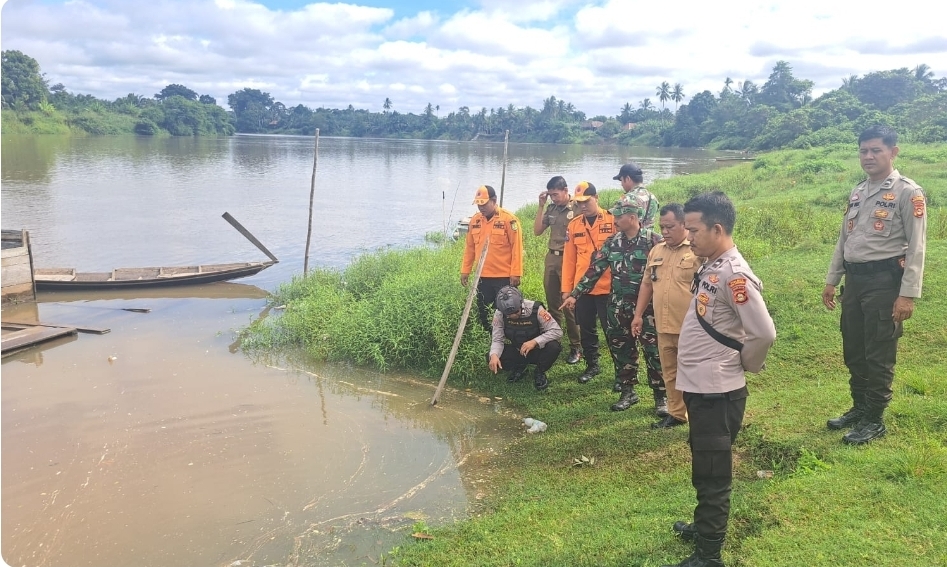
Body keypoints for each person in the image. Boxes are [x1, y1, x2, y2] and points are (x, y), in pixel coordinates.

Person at [663, 191, 776, 567]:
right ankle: (702, 526)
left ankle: (709, 555)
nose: (687, 236)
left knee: (713, 476)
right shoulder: (711, 264)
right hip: (700, 388)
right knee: (703, 464)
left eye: (693, 230)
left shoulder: (734, 274)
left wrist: (741, 364)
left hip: (717, 391)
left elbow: (763, 333)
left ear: (717, 228)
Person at [822, 125, 927, 445]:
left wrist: (907, 295)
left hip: (885, 283)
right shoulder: (858, 191)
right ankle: (859, 408)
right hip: (854, 282)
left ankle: (874, 419)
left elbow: (918, 247)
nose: (868, 156)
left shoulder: (909, 192)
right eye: (863, 150)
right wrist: (832, 279)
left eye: (875, 150)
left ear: (893, 152)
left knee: (878, 352)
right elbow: (845, 240)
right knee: (854, 348)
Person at [562, 194, 667, 413]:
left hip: (648, 309)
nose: (615, 220)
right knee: (622, 351)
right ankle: (628, 392)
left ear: (632, 217)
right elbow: (594, 270)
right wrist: (575, 294)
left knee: (654, 352)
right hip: (618, 308)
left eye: (619, 216)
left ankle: (661, 397)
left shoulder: (653, 241)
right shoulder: (612, 243)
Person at [632, 203, 703, 428]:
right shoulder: (657, 251)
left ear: (684, 224)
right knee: (670, 373)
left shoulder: (696, 251)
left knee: (694, 373)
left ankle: (701, 415)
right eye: (662, 227)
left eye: (670, 227)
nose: (664, 232)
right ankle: (677, 414)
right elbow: (646, 285)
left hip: (691, 327)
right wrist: (638, 315)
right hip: (663, 327)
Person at [559, 182, 616, 385]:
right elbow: (569, 260)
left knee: (613, 331)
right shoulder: (574, 225)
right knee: (587, 329)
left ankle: (622, 373)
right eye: (579, 202)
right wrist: (567, 290)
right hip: (582, 289)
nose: (583, 206)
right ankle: (592, 365)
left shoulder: (612, 220)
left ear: (596, 197)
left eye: (586, 201)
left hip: (608, 287)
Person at [533, 176, 583, 365]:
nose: (553, 198)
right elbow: (537, 231)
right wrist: (540, 206)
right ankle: (555, 341)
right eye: (551, 195)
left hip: (569, 259)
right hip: (552, 258)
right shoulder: (551, 208)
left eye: (556, 194)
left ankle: (576, 346)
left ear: (565, 190)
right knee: (552, 303)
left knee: (568, 304)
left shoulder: (577, 207)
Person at [461, 185, 524, 332]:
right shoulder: (475, 221)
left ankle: (509, 339)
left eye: (483, 204)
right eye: (478, 204)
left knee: (507, 311)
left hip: (503, 277)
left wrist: (516, 272)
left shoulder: (509, 220)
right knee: (484, 312)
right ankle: (489, 340)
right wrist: (465, 270)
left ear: (494, 200)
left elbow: (517, 248)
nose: (480, 207)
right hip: (482, 277)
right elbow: (470, 248)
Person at [487, 285, 563, 391]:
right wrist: (494, 355)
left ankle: (540, 371)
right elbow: (497, 339)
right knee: (491, 356)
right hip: (518, 350)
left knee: (554, 346)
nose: (513, 316)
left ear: (521, 303)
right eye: (509, 314)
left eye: (516, 312)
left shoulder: (536, 309)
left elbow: (557, 331)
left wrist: (535, 342)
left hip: (537, 350)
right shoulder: (499, 313)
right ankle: (519, 367)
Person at [614, 162, 660, 230]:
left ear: (628, 179)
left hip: (633, 239)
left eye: (621, 180)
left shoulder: (626, 198)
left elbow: (619, 224)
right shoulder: (652, 197)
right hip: (650, 238)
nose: (621, 184)